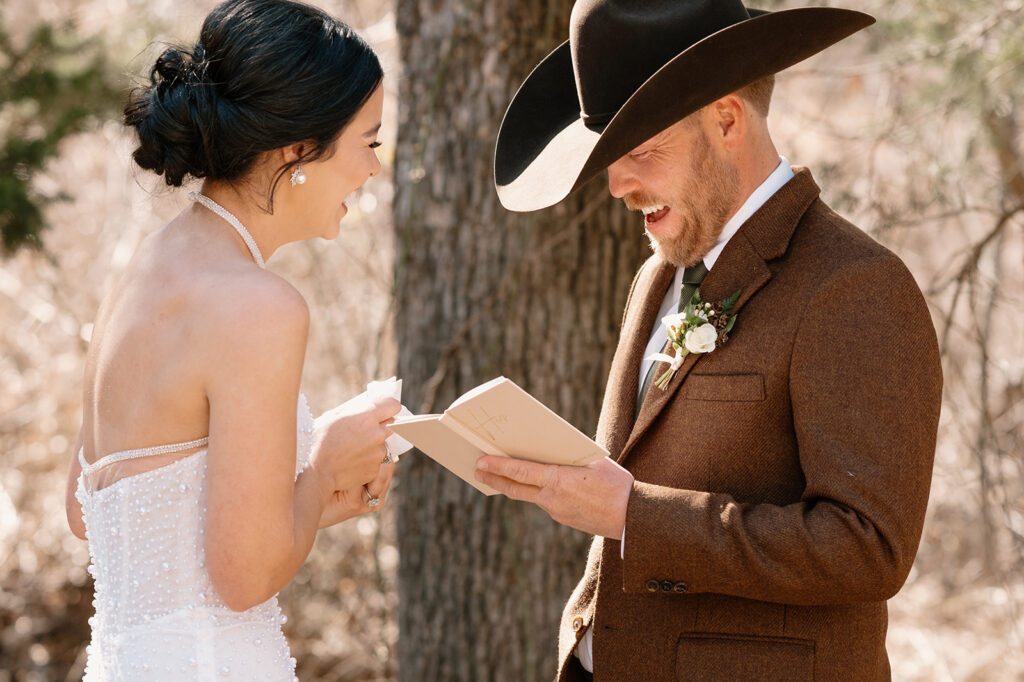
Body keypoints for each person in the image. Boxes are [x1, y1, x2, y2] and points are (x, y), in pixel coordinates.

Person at [478, 1, 943, 680]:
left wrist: (634, 516)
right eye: (608, 157)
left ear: (727, 119)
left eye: (639, 151)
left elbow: (868, 548)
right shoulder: (655, 276)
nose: (617, 186)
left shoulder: (855, 285)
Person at [62, 1, 398, 679]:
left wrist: (304, 499)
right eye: (369, 141)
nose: (374, 169)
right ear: (298, 150)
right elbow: (243, 579)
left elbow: (87, 510)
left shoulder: (143, 269)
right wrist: (328, 460)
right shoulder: (260, 306)